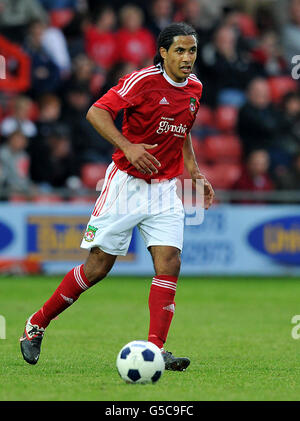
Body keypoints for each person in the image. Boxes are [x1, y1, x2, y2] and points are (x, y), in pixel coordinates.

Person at [20, 22, 214, 371]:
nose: (188, 58)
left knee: (170, 262)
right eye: (181, 51)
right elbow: (96, 111)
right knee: (97, 268)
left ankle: (155, 350)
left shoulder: (196, 88)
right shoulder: (142, 81)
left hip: (166, 189)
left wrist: (195, 172)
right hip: (127, 184)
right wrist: (128, 145)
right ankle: (36, 324)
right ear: (164, 53)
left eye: (193, 50)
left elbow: (183, 129)